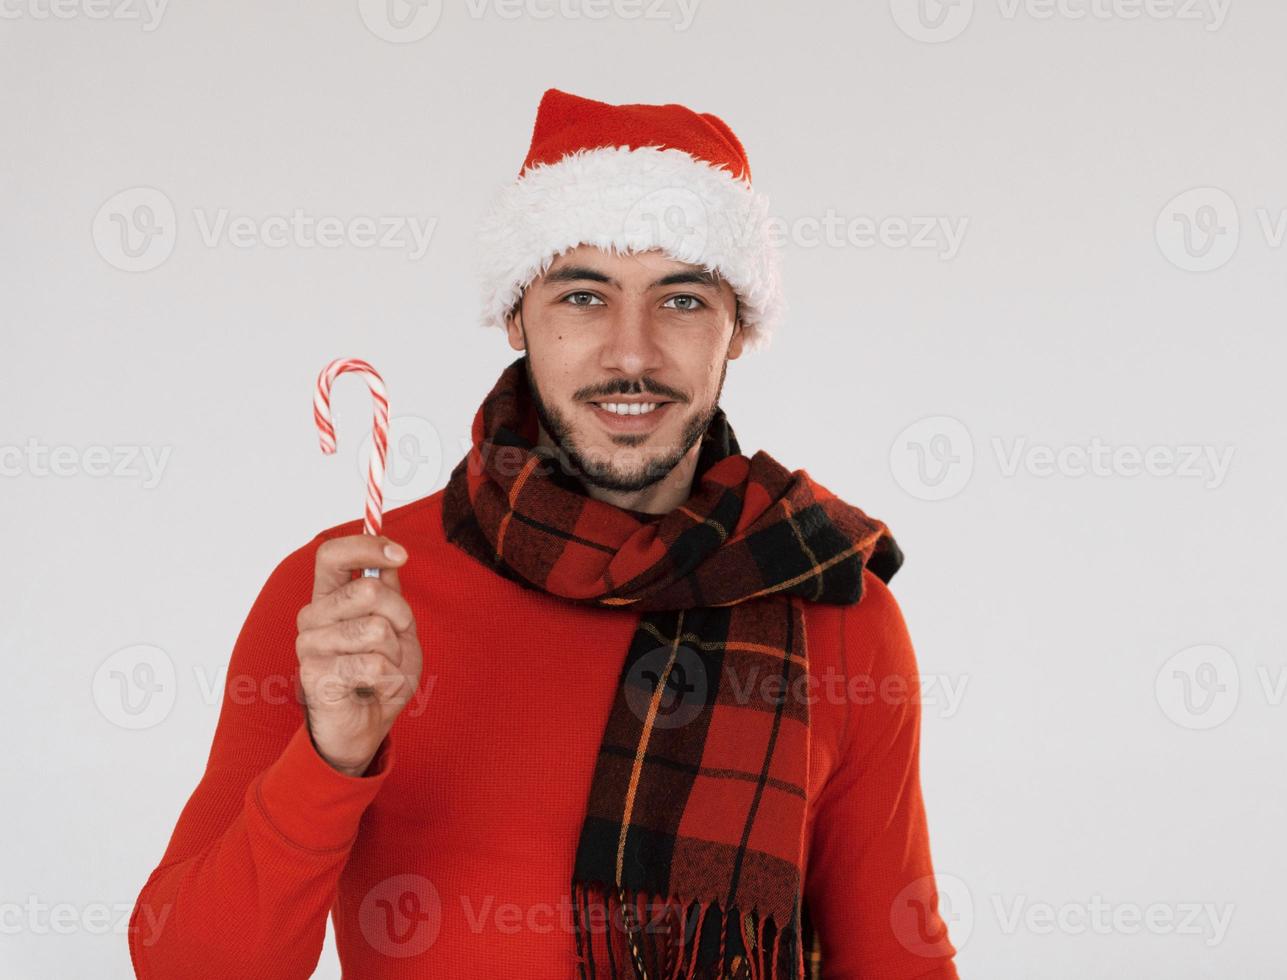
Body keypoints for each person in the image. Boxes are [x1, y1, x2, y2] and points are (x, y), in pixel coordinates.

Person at [129, 87, 960, 979]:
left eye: (681, 300)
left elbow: (896, 962)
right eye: (583, 296)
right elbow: (186, 967)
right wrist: (332, 758)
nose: (632, 354)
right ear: (517, 316)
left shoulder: (832, 607)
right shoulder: (350, 603)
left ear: (740, 328)